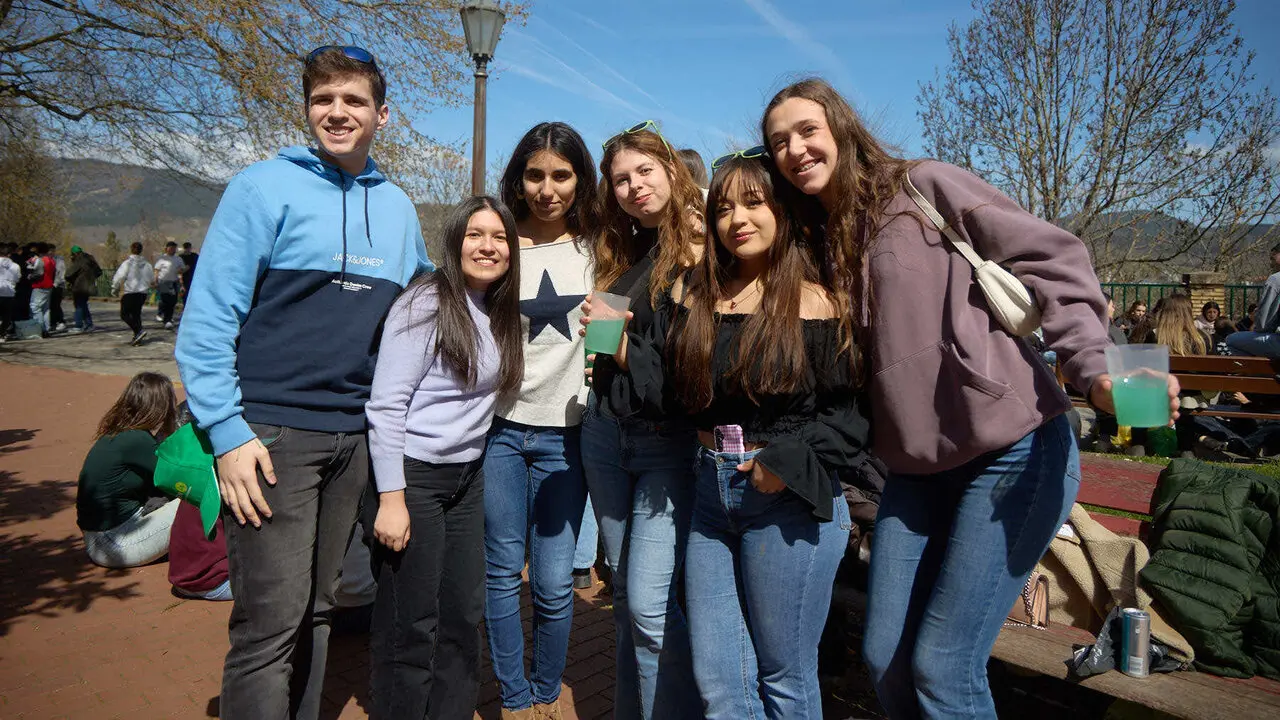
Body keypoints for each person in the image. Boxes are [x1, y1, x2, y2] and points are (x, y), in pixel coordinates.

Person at [760, 77, 1179, 718]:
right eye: (779, 142)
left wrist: (1095, 370)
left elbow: (1054, 256)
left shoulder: (923, 188)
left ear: (840, 127)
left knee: (944, 666)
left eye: (807, 130)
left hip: (1012, 451)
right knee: (887, 660)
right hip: (915, 473)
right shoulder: (818, 244)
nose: (796, 150)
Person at [173, 45, 432, 720]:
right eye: (323, 99)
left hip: (356, 438)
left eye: (352, 100)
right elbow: (206, 325)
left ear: (382, 114)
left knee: (320, 610)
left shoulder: (400, 209)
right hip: (271, 437)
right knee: (268, 624)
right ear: (306, 108)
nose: (337, 112)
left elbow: (433, 310)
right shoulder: (261, 188)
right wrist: (227, 435)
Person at [601, 151, 864, 718]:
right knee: (722, 684)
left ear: (783, 212)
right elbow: (675, 397)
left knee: (783, 679)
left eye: (755, 203)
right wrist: (624, 351)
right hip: (709, 500)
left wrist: (788, 460)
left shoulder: (817, 301)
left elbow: (851, 413)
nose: (737, 220)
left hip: (785, 499)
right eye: (723, 208)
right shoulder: (694, 296)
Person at [365, 196, 524, 720]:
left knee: (461, 613)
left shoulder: (497, 308)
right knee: (412, 620)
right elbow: (386, 405)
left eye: (499, 237)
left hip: (466, 478)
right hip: (413, 476)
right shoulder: (426, 302)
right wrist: (392, 497)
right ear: (455, 242)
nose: (488, 246)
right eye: (476, 234)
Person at [584, 123, 704, 719]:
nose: (634, 186)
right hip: (606, 433)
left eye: (644, 172)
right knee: (629, 600)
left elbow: (685, 375)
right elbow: (612, 352)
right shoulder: (627, 251)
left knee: (653, 604)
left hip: (666, 445)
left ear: (672, 170)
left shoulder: (705, 251)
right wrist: (600, 349)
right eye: (621, 179)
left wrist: (621, 345)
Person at [482, 122, 597, 720]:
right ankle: (515, 697)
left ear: (580, 179)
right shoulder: (497, 243)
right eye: (534, 175)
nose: (547, 188)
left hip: (569, 437)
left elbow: (612, 334)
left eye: (561, 175)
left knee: (553, 583)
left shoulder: (599, 248)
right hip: (499, 430)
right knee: (501, 573)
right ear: (518, 178)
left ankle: (547, 693)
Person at [76, 372, 183, 568]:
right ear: (161, 407)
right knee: (199, 501)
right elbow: (180, 478)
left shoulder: (121, 433)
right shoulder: (136, 440)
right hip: (114, 544)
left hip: (101, 539)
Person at [1226, 244, 1280, 359]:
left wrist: (1257, 316)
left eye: (1272, 258)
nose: (1271, 264)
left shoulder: (1275, 279)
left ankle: (1257, 375)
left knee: (1231, 340)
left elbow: (1263, 324)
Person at [112, 241, 153, 345]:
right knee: (136, 314)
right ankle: (137, 338)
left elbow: (120, 276)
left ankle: (138, 331)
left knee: (124, 314)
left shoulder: (128, 263)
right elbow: (151, 279)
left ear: (131, 250)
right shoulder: (147, 265)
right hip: (142, 293)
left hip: (130, 292)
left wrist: (114, 287)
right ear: (141, 250)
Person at [66, 245, 102, 333]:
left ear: (74, 254)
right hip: (89, 286)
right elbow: (99, 272)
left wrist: (73, 280)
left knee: (78, 306)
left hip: (79, 286)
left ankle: (78, 326)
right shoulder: (90, 260)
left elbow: (68, 275)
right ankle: (89, 324)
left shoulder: (79, 261)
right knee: (84, 305)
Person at [153, 240, 185, 329]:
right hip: (163, 281)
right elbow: (156, 270)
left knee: (173, 301)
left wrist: (182, 271)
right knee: (165, 300)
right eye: (170, 248)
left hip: (174, 282)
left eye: (174, 248)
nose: (172, 250)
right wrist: (155, 281)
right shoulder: (162, 259)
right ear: (166, 249)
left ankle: (168, 318)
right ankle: (166, 319)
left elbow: (182, 269)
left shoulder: (178, 259)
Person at [26, 242, 55, 335]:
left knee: (35, 307)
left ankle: (41, 329)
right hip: (49, 286)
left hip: (40, 286)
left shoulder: (41, 260)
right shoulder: (51, 260)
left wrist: (30, 276)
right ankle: (47, 327)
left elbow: (39, 273)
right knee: (45, 309)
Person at [0, 242, 19, 341]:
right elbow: (17, 279)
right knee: (6, 315)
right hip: (9, 292)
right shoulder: (15, 266)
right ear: (9, 254)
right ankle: (2, 334)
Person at [50, 246, 67, 332]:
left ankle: (60, 321)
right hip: (50, 285)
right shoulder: (47, 259)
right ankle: (53, 322)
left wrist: (55, 284)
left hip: (57, 286)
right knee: (51, 305)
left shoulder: (59, 261)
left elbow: (61, 274)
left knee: (55, 305)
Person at [179, 241, 199, 305]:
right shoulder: (180, 257)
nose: (187, 249)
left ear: (190, 248)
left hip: (194, 277)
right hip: (184, 277)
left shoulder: (195, 256)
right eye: (185, 248)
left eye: (188, 248)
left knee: (193, 293)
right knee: (185, 293)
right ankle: (185, 306)